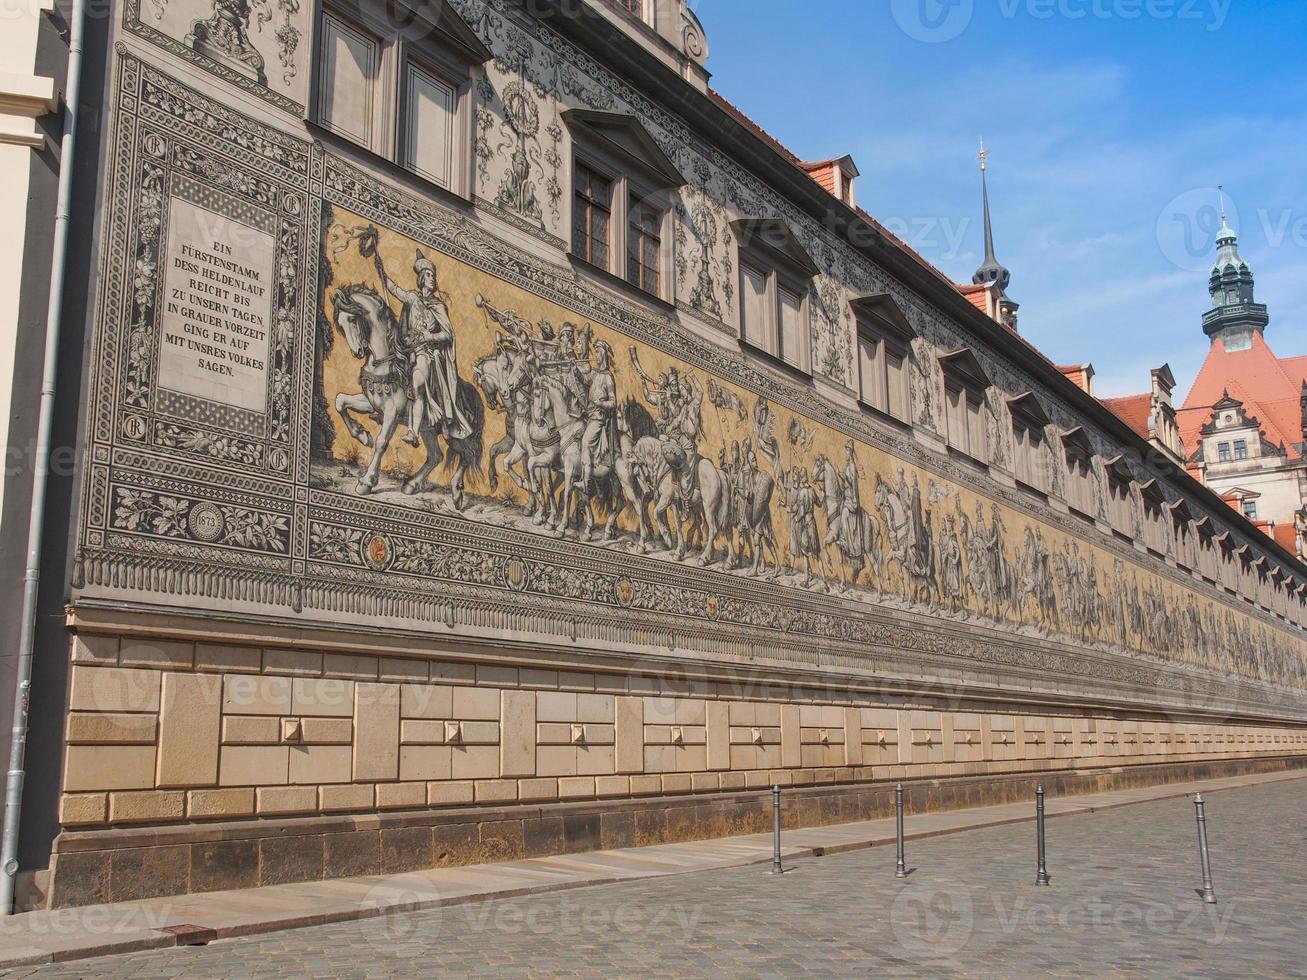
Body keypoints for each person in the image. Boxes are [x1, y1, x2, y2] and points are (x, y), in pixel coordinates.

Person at [372, 247, 471, 441]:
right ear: (421, 279)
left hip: (426, 353)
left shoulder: (438, 306)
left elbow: (447, 335)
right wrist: (381, 272)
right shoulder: (412, 297)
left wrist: (428, 336)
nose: (431, 278)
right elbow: (394, 290)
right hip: (406, 350)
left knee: (417, 384)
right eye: (427, 275)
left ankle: (414, 432)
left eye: (433, 275)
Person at [576, 341, 617, 489]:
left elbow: (613, 402)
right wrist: (575, 368)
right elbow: (585, 380)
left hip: (598, 418)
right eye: (596, 352)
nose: (596, 355)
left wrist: (601, 403)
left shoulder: (607, 377)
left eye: (598, 352)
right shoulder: (594, 373)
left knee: (586, 442)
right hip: (588, 416)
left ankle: (586, 481)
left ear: (604, 355)